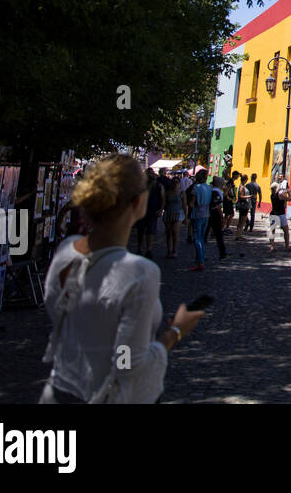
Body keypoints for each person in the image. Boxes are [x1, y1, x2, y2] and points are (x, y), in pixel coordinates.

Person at [40, 154, 205, 403]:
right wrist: (175, 332)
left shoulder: (66, 251)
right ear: (138, 203)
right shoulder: (139, 272)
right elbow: (127, 362)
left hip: (59, 390)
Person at [188, 170, 213, 272]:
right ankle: (200, 258)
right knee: (201, 238)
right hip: (206, 214)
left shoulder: (196, 188)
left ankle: (201, 261)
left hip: (197, 214)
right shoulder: (208, 188)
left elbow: (192, 203)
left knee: (197, 239)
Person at [136, 170, 164, 258]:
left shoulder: (158, 186)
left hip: (153, 212)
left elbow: (163, 198)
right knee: (141, 231)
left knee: (150, 232)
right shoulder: (141, 186)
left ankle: (149, 249)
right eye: (149, 174)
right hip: (142, 211)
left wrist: (161, 209)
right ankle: (140, 248)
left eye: (151, 174)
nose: (150, 176)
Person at [162, 170, 184, 259]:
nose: (175, 184)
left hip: (178, 213)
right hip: (168, 213)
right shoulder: (167, 193)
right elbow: (163, 203)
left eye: (177, 182)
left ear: (179, 183)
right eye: (174, 182)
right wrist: (161, 210)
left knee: (175, 231)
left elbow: (184, 205)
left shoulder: (182, 193)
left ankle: (174, 249)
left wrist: (186, 216)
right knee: (168, 233)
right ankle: (169, 250)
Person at [268, 177, 291, 253]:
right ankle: (287, 246)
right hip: (280, 214)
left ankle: (272, 246)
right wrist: (288, 192)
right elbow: (290, 199)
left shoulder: (272, 195)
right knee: (286, 230)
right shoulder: (280, 195)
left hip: (273, 213)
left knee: (272, 231)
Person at [206, 177, 227, 259]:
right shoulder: (217, 192)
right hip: (214, 214)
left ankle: (200, 254)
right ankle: (222, 253)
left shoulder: (211, 190)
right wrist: (222, 217)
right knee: (219, 234)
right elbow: (217, 206)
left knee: (206, 232)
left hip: (208, 212)